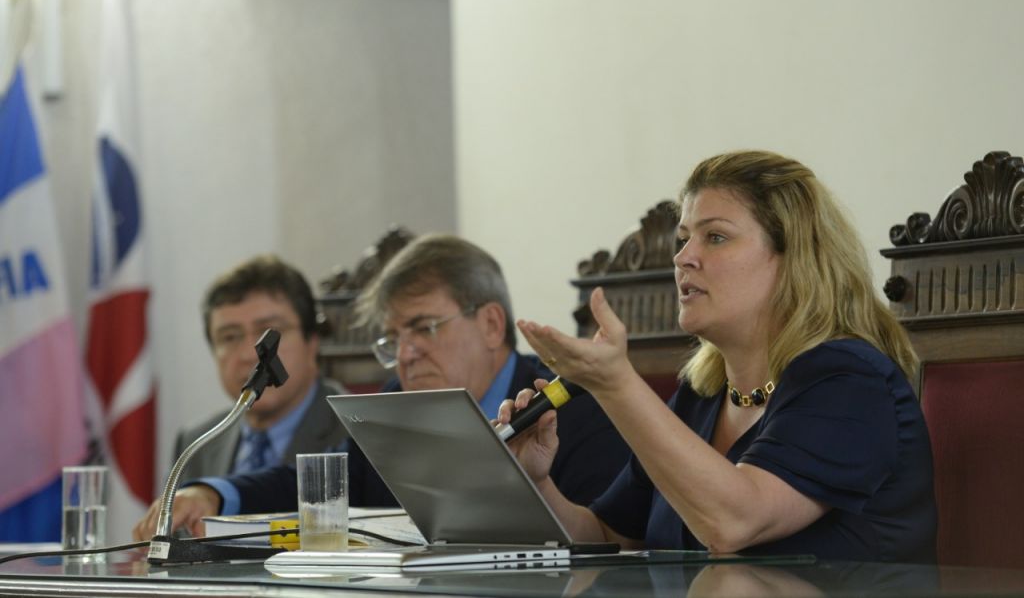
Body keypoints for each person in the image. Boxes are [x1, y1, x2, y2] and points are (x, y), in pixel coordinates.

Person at [500, 150, 937, 562]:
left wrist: (615, 384)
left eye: (715, 237)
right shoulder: (700, 396)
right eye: (684, 239)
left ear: (794, 258)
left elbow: (734, 523)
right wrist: (533, 482)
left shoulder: (851, 381)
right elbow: (607, 537)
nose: (683, 257)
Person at [134, 235, 630, 540]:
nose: (406, 353)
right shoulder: (399, 400)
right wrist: (214, 494)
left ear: (491, 324)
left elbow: (611, 549)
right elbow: (316, 482)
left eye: (423, 328)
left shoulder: (574, 407)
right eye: (394, 338)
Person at [170, 255, 347, 482]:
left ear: (312, 342)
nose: (249, 354)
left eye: (268, 334)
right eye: (230, 337)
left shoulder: (357, 433)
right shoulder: (196, 443)